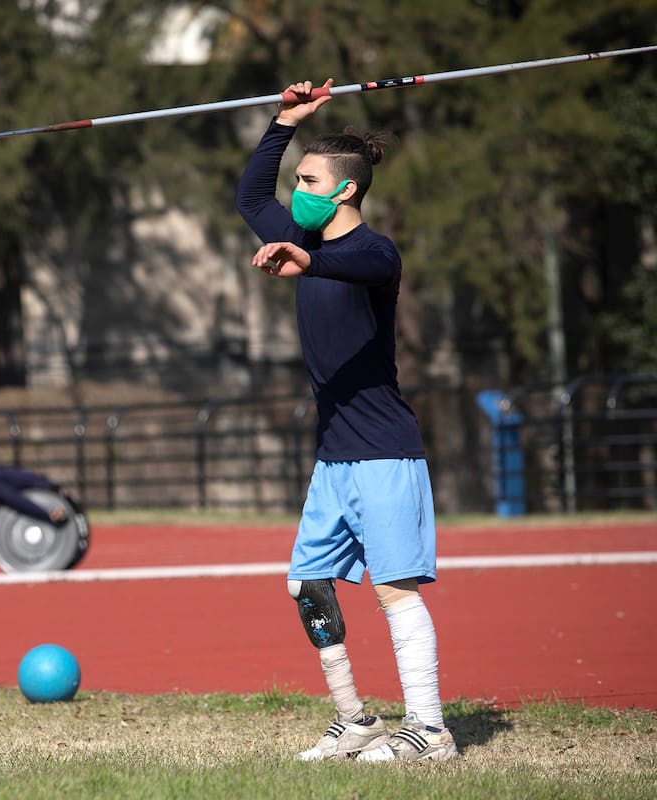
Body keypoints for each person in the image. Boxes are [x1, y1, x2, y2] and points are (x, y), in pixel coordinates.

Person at [234, 78, 457, 763]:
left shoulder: (376, 255)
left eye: (308, 179)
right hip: (334, 458)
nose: (295, 189)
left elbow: (353, 263)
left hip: (385, 452)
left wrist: (305, 258)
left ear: (346, 191)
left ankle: (430, 730)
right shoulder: (303, 234)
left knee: (394, 593)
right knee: (305, 582)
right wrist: (283, 123)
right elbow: (248, 198)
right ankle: (355, 721)